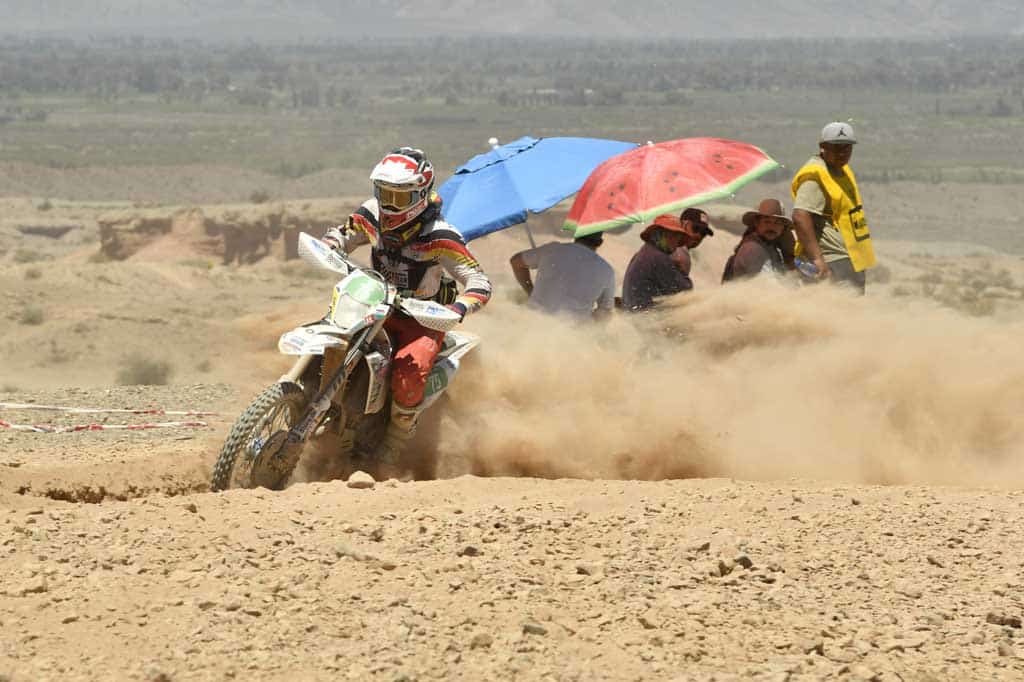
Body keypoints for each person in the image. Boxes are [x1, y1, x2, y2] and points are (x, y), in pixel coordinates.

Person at [321, 147, 492, 465]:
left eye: (399, 197)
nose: (389, 204)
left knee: (408, 376)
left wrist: (459, 308)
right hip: (373, 302)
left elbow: (479, 281)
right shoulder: (371, 214)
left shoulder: (440, 236)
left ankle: (394, 440)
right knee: (331, 334)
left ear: (421, 195)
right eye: (384, 193)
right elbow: (345, 234)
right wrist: (330, 245)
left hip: (422, 318)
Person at [790, 122, 876, 294]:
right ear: (823, 146)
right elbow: (800, 216)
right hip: (831, 260)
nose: (842, 152)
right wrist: (817, 259)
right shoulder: (815, 175)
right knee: (841, 308)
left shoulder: (841, 170)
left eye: (847, 147)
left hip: (849, 257)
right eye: (836, 147)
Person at [508, 232, 615, 321]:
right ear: (600, 242)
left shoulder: (552, 249)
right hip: (572, 332)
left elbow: (515, 261)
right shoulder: (607, 270)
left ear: (577, 235)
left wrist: (530, 291)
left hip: (532, 320)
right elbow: (605, 313)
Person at [621, 207, 713, 311]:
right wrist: (681, 272)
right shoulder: (659, 258)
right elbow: (685, 293)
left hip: (633, 314)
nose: (677, 241)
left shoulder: (644, 252)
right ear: (661, 234)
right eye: (674, 235)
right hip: (644, 317)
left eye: (703, 233)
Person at [722, 198, 792, 282]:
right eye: (767, 222)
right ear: (757, 223)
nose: (772, 227)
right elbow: (765, 286)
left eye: (777, 223)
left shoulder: (769, 246)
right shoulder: (753, 249)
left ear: (783, 228)